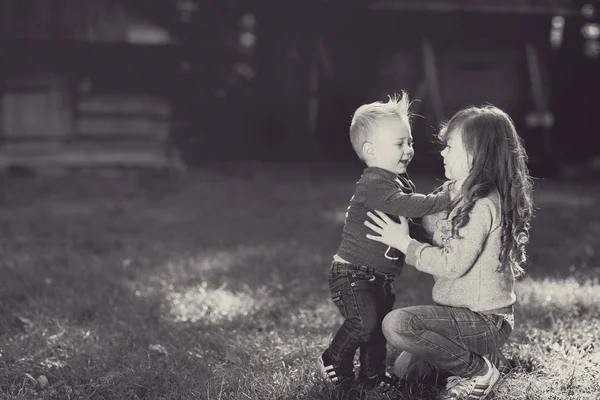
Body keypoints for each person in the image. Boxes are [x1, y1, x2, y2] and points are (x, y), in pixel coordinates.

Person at [364, 104, 534, 399]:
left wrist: (406, 245)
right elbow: (426, 225)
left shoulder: (483, 204)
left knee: (398, 325)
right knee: (407, 371)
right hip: (458, 317)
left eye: (450, 146)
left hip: (485, 321)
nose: (442, 153)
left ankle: (477, 370)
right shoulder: (454, 192)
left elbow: (452, 264)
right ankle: (487, 360)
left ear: (475, 153)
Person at [319, 92, 453, 391]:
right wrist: (444, 198)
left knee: (377, 330)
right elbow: (407, 206)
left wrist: (434, 241)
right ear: (371, 151)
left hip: (380, 278)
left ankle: (372, 378)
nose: (408, 150)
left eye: (410, 142)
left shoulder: (400, 183)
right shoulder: (374, 184)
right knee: (364, 324)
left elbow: (410, 226)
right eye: (399, 144)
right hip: (352, 274)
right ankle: (334, 357)